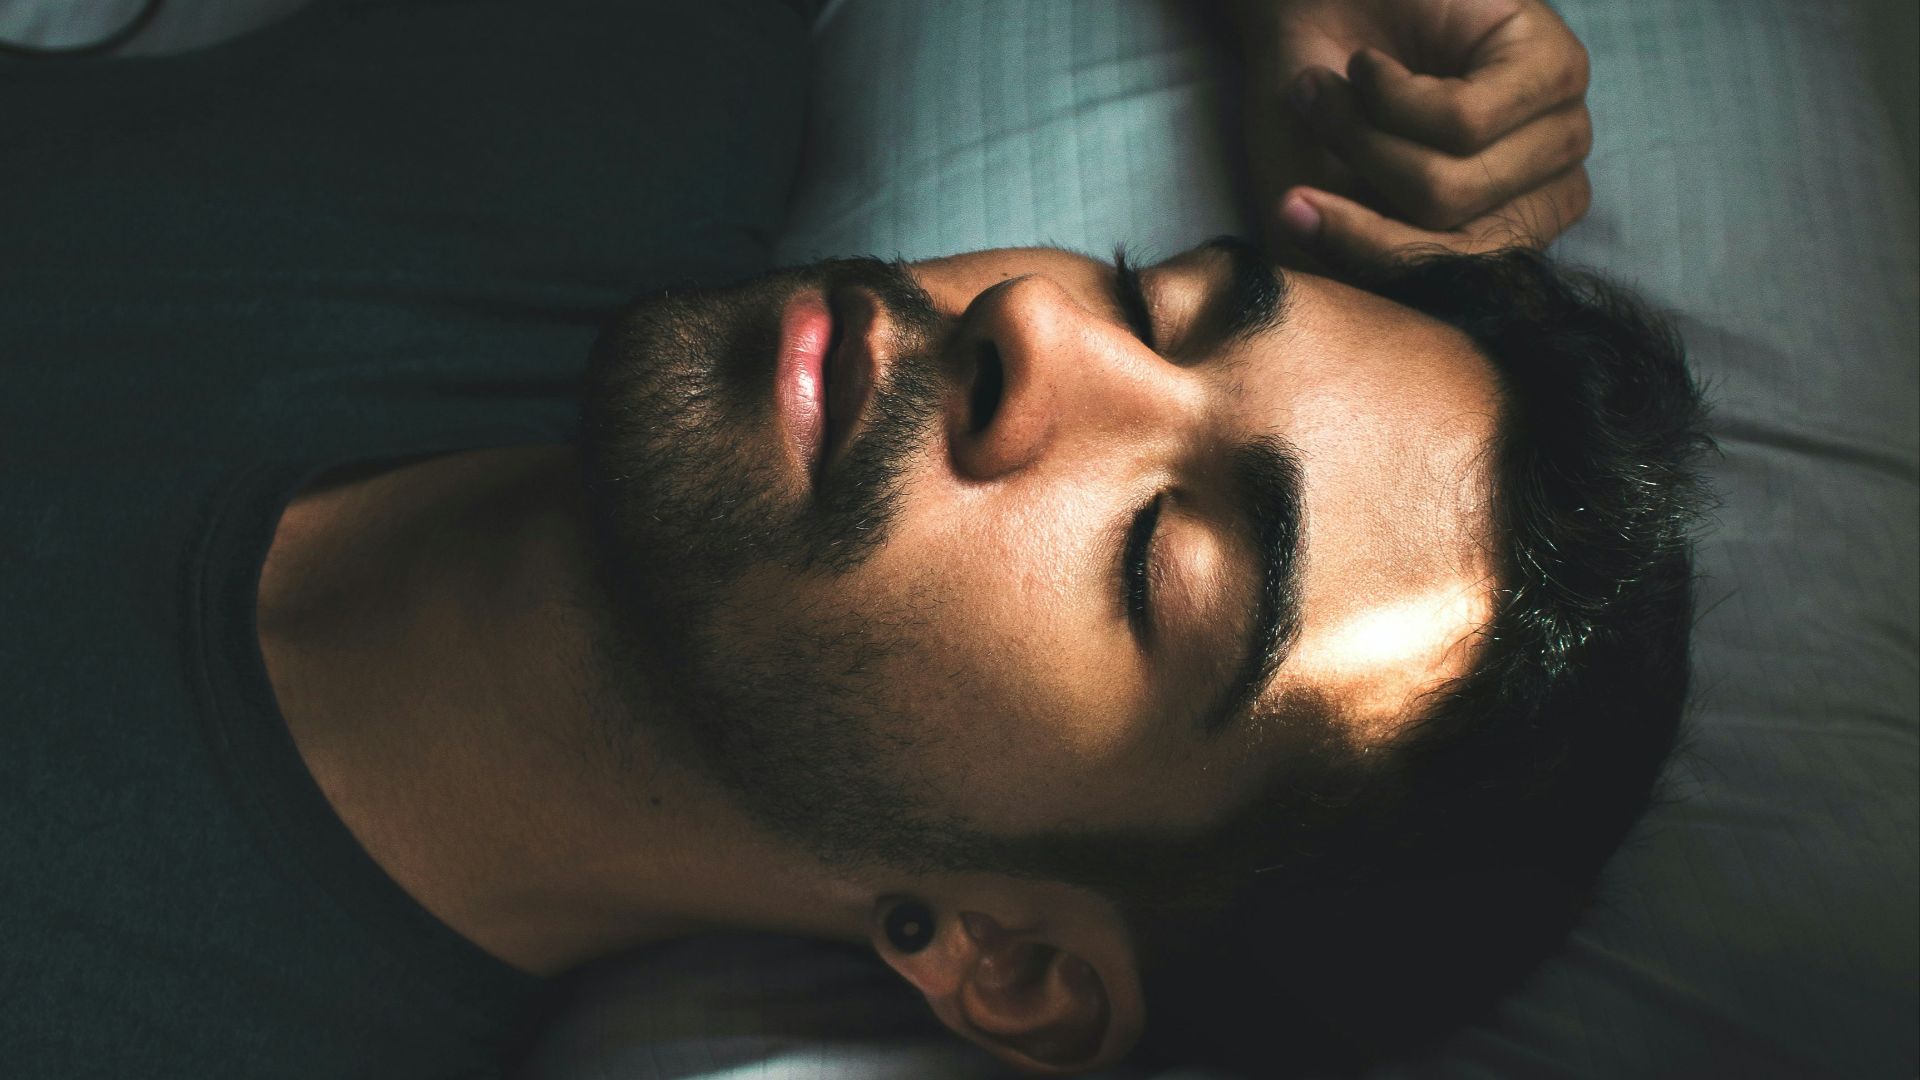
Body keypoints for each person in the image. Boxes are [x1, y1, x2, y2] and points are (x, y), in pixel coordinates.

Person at [0, 0, 1712, 1076]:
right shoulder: (588, 130)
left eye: (1158, 558)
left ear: (1015, 965)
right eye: (1156, 305)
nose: (1041, 328)